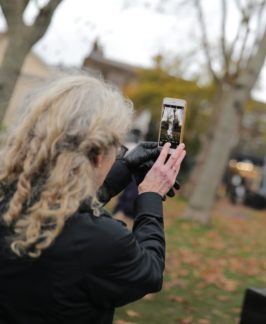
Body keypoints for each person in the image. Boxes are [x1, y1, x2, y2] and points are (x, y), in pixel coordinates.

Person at [0, 76, 186, 324]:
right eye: (117, 149)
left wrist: (125, 166)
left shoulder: (11, 198)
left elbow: (64, 205)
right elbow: (149, 273)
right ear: (98, 155)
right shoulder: (99, 239)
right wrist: (151, 195)